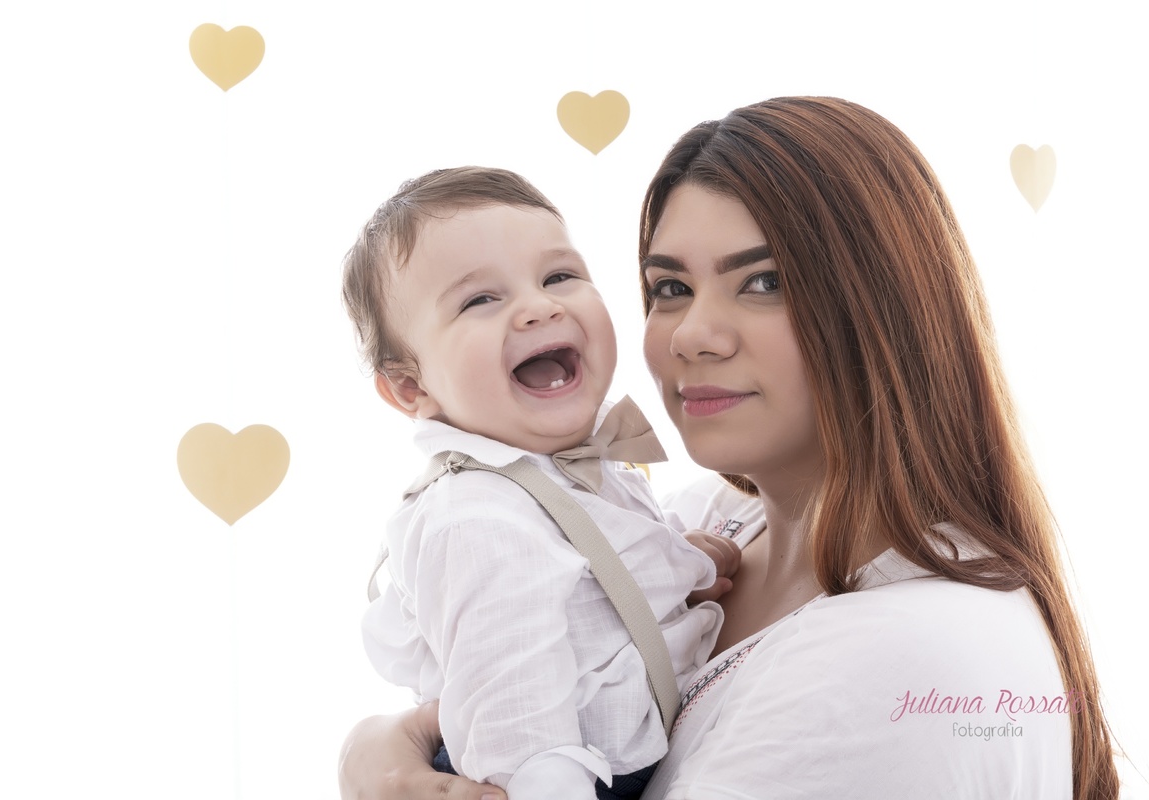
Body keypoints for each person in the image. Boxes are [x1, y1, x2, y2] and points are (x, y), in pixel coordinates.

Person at [338, 97, 1121, 799]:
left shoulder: (912, 652)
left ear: (884, 308)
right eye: (669, 287)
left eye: (764, 281)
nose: (693, 335)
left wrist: (377, 765)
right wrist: (374, 750)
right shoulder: (701, 517)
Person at [340, 167, 742, 800]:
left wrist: (678, 562)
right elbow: (509, 687)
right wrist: (547, 781)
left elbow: (594, 576)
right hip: (550, 770)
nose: (540, 306)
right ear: (411, 387)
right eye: (480, 300)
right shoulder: (474, 518)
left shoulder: (569, 466)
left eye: (559, 277)